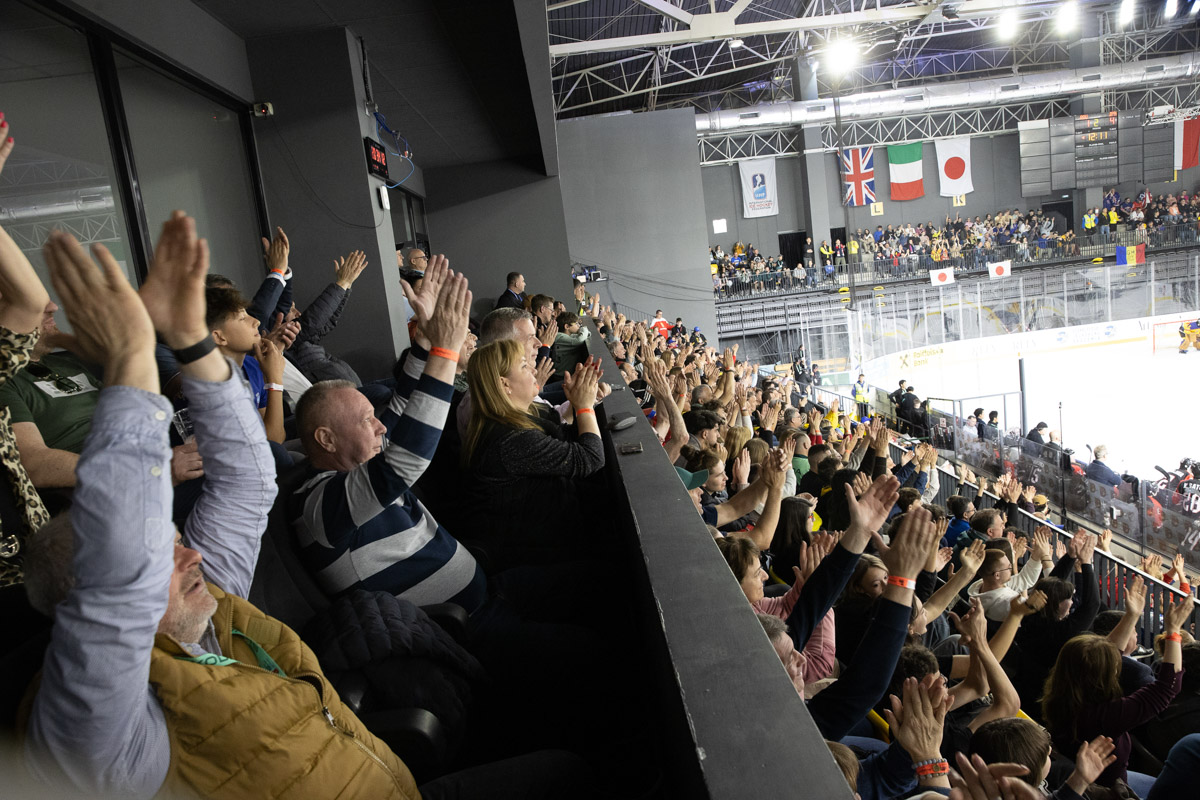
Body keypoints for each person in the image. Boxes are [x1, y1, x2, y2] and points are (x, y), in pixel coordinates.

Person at [19, 214, 424, 799]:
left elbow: (249, 480)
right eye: (160, 556)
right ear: (94, 602)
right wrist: (134, 355)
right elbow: (123, 570)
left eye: (176, 542)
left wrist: (191, 338)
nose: (191, 557)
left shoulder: (207, 606)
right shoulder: (108, 741)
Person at [460, 339, 605, 566]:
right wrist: (584, 406)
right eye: (524, 366)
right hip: (538, 551)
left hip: (549, 528)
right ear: (504, 384)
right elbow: (591, 459)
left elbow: (563, 437)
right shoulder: (510, 439)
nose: (534, 370)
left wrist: (579, 399)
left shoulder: (517, 417)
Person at [1041, 590, 1192, 794]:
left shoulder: (1063, 694)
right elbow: (1167, 687)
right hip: (1107, 791)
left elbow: (1101, 655)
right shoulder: (1105, 717)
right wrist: (1173, 632)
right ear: (1104, 675)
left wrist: (1131, 616)